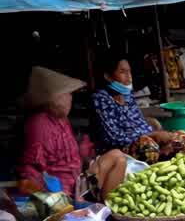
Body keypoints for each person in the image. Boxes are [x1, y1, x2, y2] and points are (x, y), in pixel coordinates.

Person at [19, 67, 127, 202]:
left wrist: (87, 158)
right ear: (55, 98)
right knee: (117, 157)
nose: (71, 98)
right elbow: (31, 169)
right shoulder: (38, 124)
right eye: (68, 94)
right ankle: (103, 206)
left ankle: (106, 207)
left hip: (77, 181)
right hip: (62, 192)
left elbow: (74, 156)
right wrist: (56, 199)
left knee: (118, 157)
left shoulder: (62, 119)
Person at [92, 55, 185, 164]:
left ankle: (174, 167)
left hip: (145, 139)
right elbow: (114, 137)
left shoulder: (127, 95)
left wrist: (160, 135)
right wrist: (152, 136)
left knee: (182, 138)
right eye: (122, 72)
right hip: (117, 150)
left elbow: (139, 122)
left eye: (129, 72)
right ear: (108, 76)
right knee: (148, 148)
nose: (129, 77)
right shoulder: (100, 99)